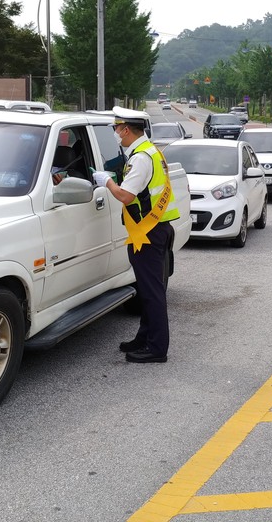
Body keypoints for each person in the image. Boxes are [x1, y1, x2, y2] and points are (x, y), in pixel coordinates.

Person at [92, 106, 179, 363]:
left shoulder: (140, 158)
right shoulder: (151, 151)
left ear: (126, 129)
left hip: (148, 233)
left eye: (117, 129)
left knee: (151, 292)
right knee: (148, 288)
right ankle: (145, 337)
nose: (116, 133)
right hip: (157, 229)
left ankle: (157, 348)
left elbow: (126, 195)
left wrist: (105, 181)